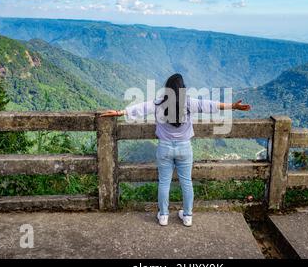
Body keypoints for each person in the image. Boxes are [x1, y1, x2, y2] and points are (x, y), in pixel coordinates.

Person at [101, 74, 251, 226]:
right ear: (183, 88)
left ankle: (164, 216)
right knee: (186, 182)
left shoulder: (159, 103)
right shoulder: (189, 103)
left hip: (164, 148)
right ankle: (187, 216)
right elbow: (211, 105)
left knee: (164, 182)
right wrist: (233, 106)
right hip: (184, 148)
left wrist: (120, 112)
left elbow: (141, 108)